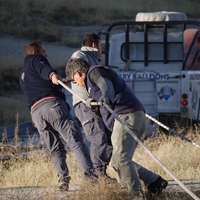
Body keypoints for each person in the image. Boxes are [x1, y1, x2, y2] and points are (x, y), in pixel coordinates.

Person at [65, 58, 168, 200]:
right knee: (118, 160)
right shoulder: (91, 84)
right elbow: (104, 107)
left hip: (126, 117)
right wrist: (96, 107)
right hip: (130, 117)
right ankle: (154, 182)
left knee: (120, 160)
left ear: (77, 73)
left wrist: (105, 96)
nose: (75, 83)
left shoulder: (93, 72)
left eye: (74, 80)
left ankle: (136, 196)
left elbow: (105, 84)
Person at [19, 42, 95, 191]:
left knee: (55, 149)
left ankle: (63, 179)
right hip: (53, 106)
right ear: (35, 52)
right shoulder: (36, 60)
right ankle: (91, 179)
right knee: (76, 142)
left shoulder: (22, 74)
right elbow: (44, 69)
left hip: (36, 114)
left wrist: (63, 80)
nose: (46, 55)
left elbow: (38, 86)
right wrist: (53, 75)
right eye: (44, 51)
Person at [68, 33, 113, 177]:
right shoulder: (80, 55)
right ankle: (97, 177)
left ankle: (101, 172)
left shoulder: (95, 60)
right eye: (101, 45)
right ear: (94, 45)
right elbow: (75, 70)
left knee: (110, 138)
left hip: (98, 104)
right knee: (98, 137)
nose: (102, 49)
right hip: (85, 104)